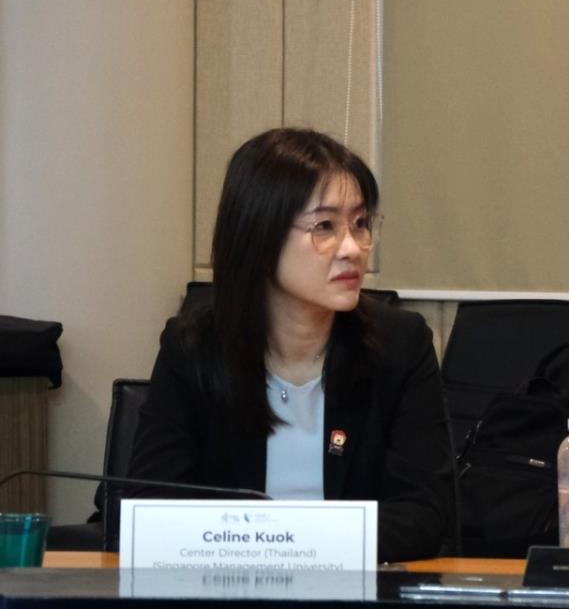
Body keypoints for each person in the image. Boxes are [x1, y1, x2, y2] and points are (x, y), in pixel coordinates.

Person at [129, 127, 455, 562]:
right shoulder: (194, 349)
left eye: (360, 224)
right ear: (259, 238)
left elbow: (424, 516)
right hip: (226, 592)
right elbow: (150, 507)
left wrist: (284, 542)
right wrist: (296, 542)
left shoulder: (399, 346)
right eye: (325, 226)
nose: (353, 248)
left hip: (357, 593)